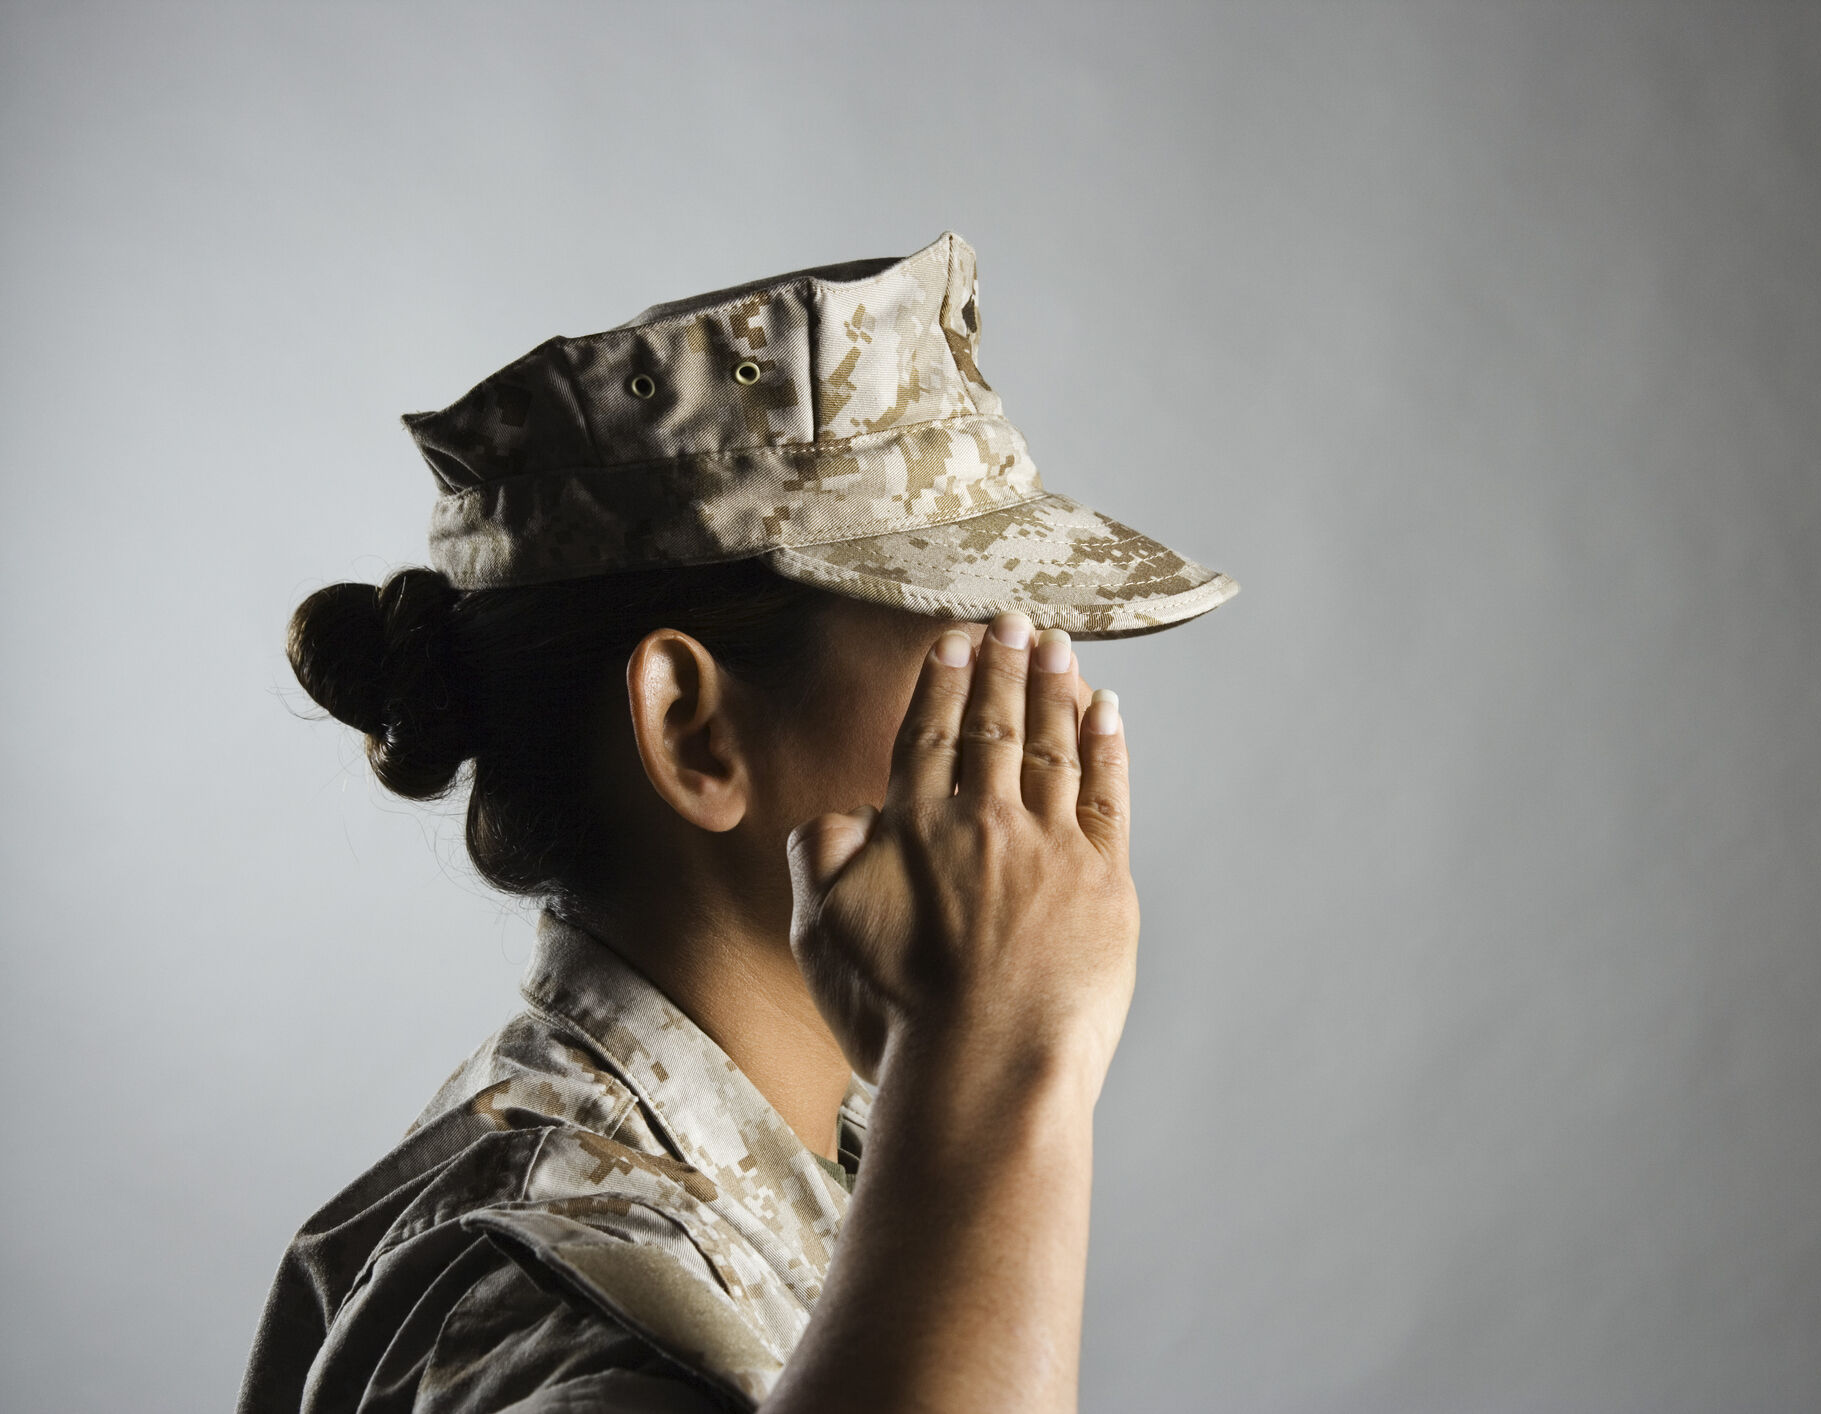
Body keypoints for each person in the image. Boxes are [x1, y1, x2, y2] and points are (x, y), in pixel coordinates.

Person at [236, 231, 1238, 1413]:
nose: (1047, 708)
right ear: (693, 731)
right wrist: (1008, 1059)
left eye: (1039, 637)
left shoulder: (863, 1156)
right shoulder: (536, 1299)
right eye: (972, 640)